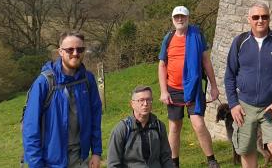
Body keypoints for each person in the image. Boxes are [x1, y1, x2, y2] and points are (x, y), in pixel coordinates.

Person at [224, 2, 272, 168]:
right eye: (256, 17)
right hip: (245, 107)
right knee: (246, 150)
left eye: (264, 16)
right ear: (249, 19)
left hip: (270, 107)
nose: (260, 20)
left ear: (269, 18)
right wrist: (233, 104)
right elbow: (229, 76)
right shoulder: (240, 42)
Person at [22, 31, 103, 168]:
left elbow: (96, 118)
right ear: (60, 51)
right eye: (70, 49)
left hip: (80, 158)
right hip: (50, 161)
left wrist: (96, 152)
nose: (75, 53)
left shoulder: (88, 80)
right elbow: (30, 129)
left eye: (80, 49)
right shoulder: (44, 83)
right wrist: (36, 164)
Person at [157, 6, 221, 168]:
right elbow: (162, 64)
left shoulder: (197, 35)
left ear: (188, 18)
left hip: (193, 88)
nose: (180, 19)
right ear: (173, 20)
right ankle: (174, 163)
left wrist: (213, 86)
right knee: (174, 126)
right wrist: (164, 91)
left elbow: (206, 61)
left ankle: (211, 160)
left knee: (198, 124)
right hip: (173, 89)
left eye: (183, 16)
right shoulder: (168, 38)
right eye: (177, 17)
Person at [107, 85, 174, 168]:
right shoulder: (122, 129)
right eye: (141, 100)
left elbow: (166, 158)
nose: (145, 104)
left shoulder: (159, 127)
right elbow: (113, 164)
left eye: (148, 100)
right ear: (132, 104)